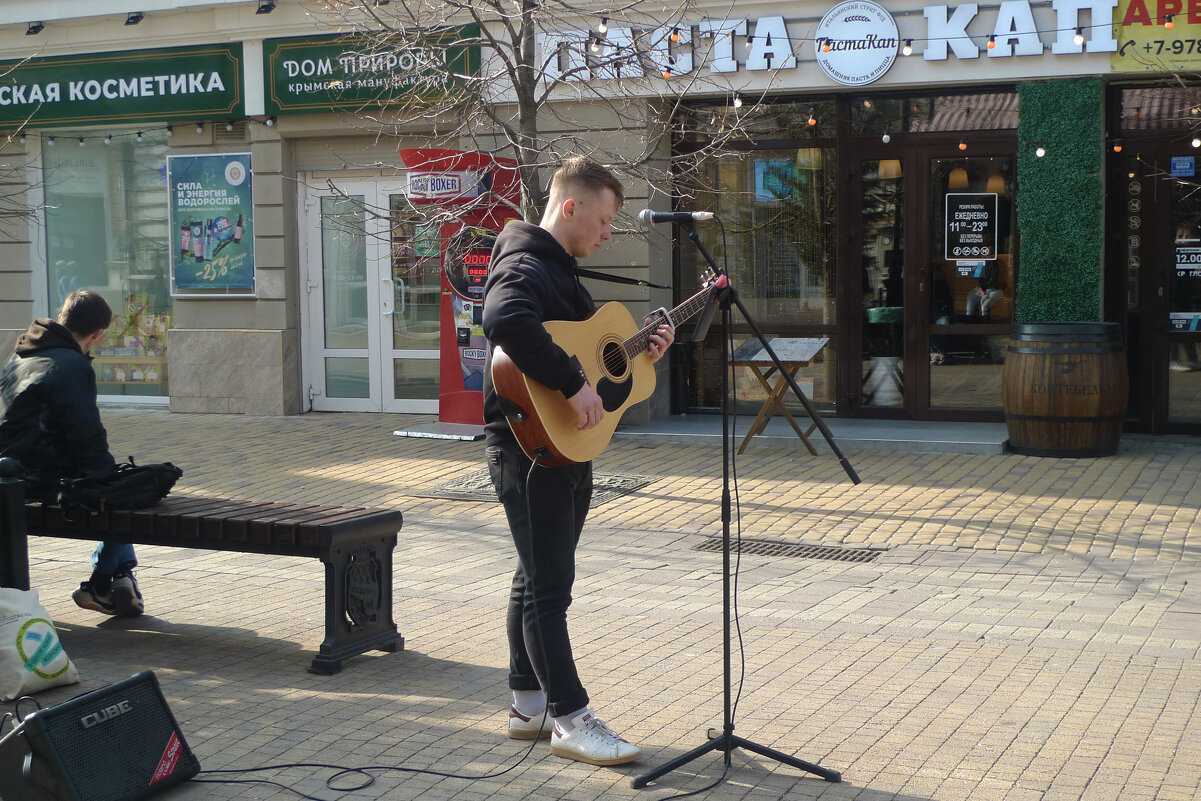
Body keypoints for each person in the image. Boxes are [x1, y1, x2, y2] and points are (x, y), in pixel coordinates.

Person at [481, 157, 674, 767]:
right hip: (527, 448)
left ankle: (527, 705)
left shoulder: (559, 271)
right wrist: (569, 383)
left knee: (535, 576)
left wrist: (646, 352)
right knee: (549, 588)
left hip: (559, 446)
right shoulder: (526, 263)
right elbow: (504, 319)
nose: (609, 232)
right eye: (605, 218)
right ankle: (571, 718)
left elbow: (598, 368)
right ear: (570, 208)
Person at [0, 290, 144, 616]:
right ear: (97, 334)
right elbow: (85, 435)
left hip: (9, 472)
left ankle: (116, 580)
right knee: (126, 495)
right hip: (36, 479)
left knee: (115, 488)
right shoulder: (72, 364)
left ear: (62, 317)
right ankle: (103, 581)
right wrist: (110, 475)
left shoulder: (22, 355)